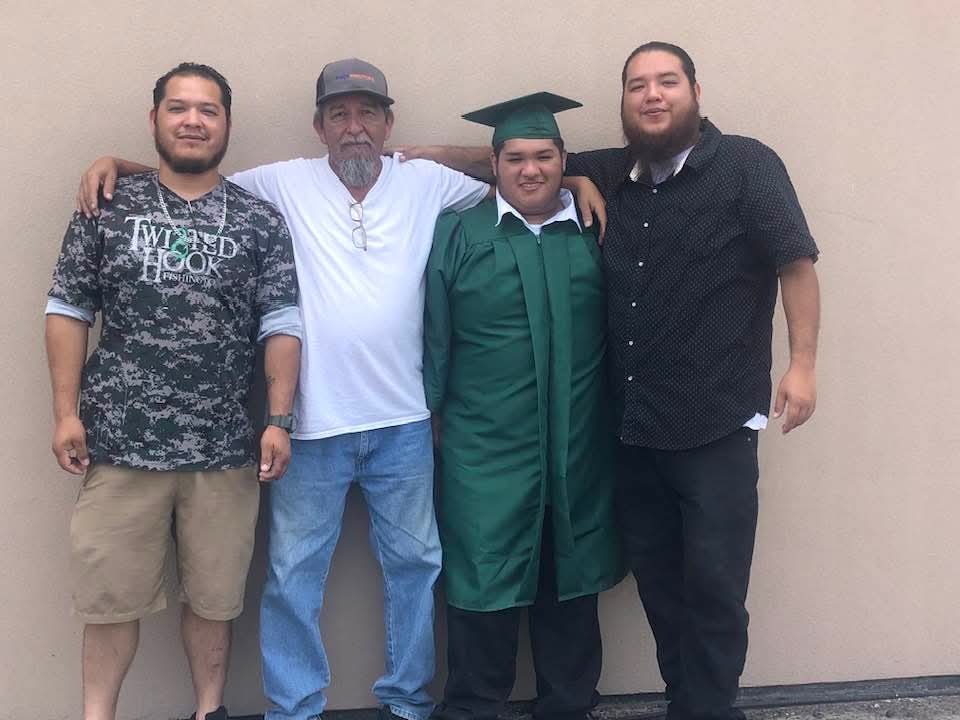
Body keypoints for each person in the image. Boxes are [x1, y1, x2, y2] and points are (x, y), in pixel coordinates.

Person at [76, 58, 607, 720]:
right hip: (310, 425)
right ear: (318, 126)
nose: (354, 127)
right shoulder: (280, 183)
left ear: (388, 122)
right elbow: (194, 181)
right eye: (339, 114)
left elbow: (512, 170)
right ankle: (295, 707)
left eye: (368, 114)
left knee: (416, 568)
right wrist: (118, 165)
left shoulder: (428, 183)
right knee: (293, 576)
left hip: (405, 423)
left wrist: (572, 176)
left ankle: (407, 701)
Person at [396, 41, 821, 720]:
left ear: (695, 92)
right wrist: (418, 155)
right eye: (637, 84)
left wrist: (801, 364)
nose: (652, 95)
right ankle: (675, 702)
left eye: (667, 81)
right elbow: (520, 175)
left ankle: (695, 710)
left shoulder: (732, 170)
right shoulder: (590, 184)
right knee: (646, 584)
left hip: (691, 425)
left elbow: (795, 261)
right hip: (601, 436)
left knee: (703, 585)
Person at [45, 62, 302, 720]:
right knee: (110, 602)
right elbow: (68, 311)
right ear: (154, 118)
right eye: (179, 108)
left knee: (215, 601)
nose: (193, 121)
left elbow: (281, 325)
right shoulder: (106, 206)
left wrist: (278, 418)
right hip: (118, 444)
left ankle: (208, 710)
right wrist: (65, 413)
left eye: (208, 110)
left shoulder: (259, 221)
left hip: (223, 450)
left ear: (227, 124)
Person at [423, 93, 623, 720]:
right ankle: (473, 709)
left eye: (544, 156)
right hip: (484, 447)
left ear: (565, 160)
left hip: (578, 443)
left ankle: (569, 706)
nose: (530, 169)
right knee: (484, 579)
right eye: (515, 158)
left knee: (571, 576)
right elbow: (434, 338)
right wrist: (434, 420)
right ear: (494, 164)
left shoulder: (594, 229)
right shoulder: (460, 233)